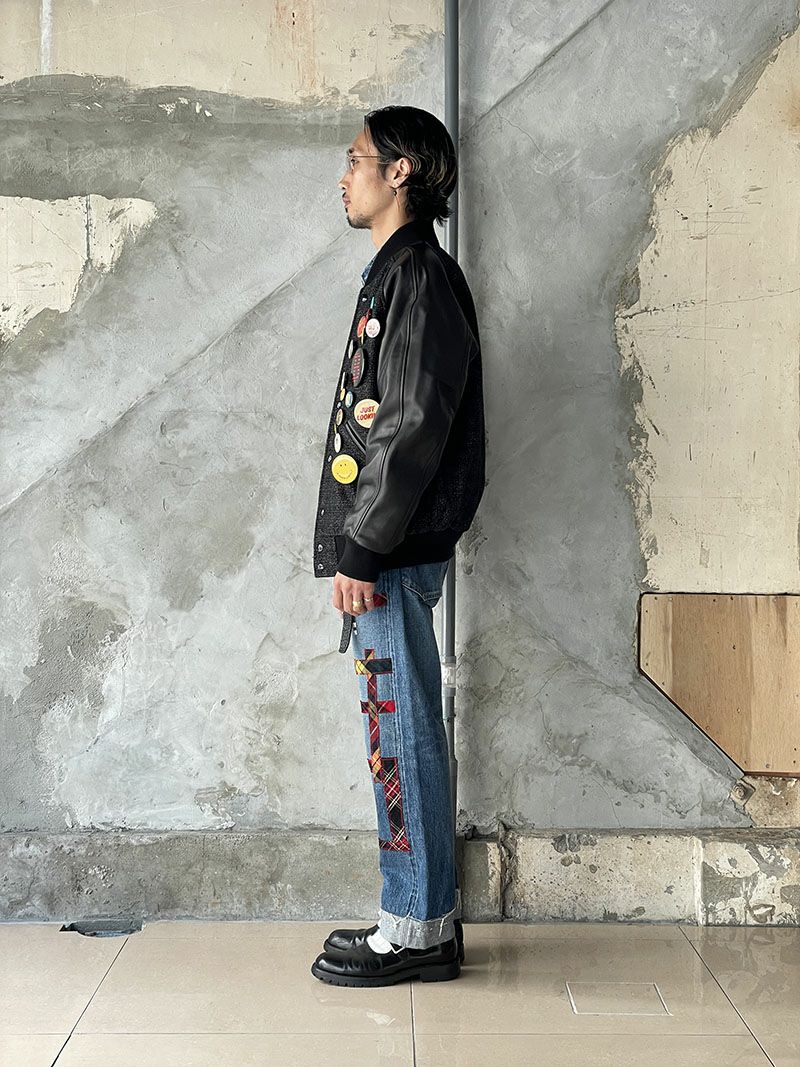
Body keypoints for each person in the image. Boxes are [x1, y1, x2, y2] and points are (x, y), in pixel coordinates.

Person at [310, 104, 486, 987]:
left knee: (400, 726)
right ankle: (421, 918)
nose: (345, 176)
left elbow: (410, 422)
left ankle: (415, 928)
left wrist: (363, 549)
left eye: (357, 160)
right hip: (391, 544)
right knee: (400, 722)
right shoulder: (400, 275)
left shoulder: (415, 275)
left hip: (392, 549)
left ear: (401, 171)